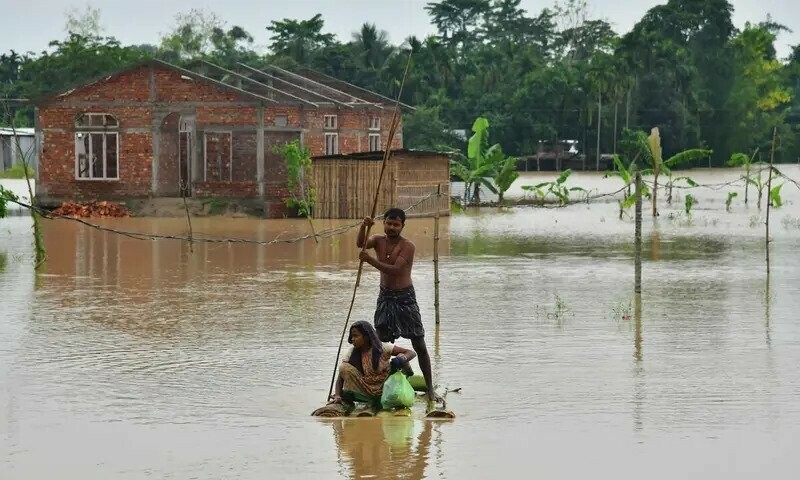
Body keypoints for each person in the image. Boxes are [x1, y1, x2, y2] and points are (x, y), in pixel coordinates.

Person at [357, 207, 441, 406]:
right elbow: (361, 243)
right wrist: (364, 226)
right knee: (381, 345)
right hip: (385, 297)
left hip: (405, 298)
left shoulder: (408, 246)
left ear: (403, 226)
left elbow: (395, 270)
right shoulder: (378, 240)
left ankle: (430, 390)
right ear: (384, 222)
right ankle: (381, 386)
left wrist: (369, 260)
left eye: (396, 224)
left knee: (418, 343)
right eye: (388, 223)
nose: (392, 227)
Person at [328, 320, 416, 410]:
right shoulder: (351, 353)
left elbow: (411, 352)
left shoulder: (382, 348)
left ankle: (407, 375)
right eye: (352, 336)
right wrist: (338, 395)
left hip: (385, 387)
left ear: (366, 337)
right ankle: (373, 401)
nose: (352, 339)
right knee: (344, 367)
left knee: (401, 357)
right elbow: (340, 378)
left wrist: (401, 359)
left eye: (356, 336)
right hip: (366, 389)